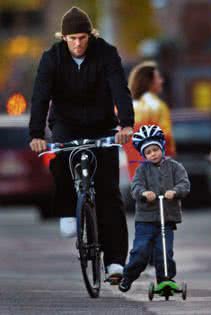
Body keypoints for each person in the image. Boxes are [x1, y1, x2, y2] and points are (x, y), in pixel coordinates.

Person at [29, 7, 134, 281]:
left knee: (109, 192)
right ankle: (68, 209)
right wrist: (36, 134)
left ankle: (115, 262)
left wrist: (126, 125)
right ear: (63, 38)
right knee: (62, 166)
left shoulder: (106, 53)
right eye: (72, 38)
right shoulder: (51, 58)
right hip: (66, 124)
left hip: (102, 125)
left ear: (91, 35)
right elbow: (40, 95)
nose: (78, 43)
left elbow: (120, 89)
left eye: (82, 38)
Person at [118, 125, 190, 292]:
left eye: (155, 149)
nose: (153, 154)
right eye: (148, 152)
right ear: (144, 155)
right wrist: (144, 193)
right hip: (146, 220)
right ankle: (128, 276)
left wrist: (176, 191)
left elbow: (184, 184)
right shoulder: (142, 170)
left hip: (167, 218)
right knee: (141, 251)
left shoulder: (174, 167)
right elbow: (135, 188)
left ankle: (165, 280)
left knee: (164, 252)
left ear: (162, 148)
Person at [123, 61, 176, 180]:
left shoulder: (125, 106)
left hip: (133, 169)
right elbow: (166, 138)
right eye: (158, 78)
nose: (161, 81)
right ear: (149, 82)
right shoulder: (157, 106)